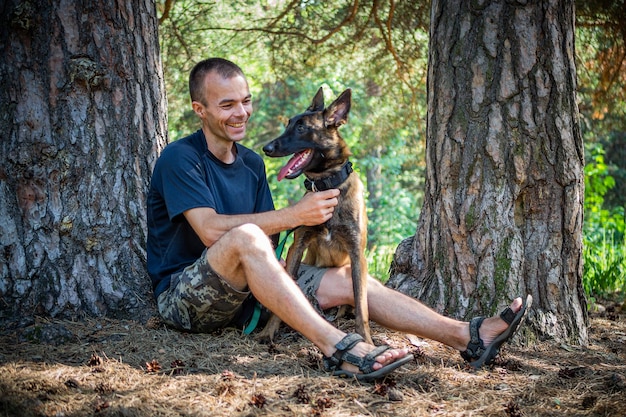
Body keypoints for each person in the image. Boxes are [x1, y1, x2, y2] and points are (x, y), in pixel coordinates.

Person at [146, 57, 531, 381]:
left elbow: (271, 237)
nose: (241, 113)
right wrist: (295, 215)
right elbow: (212, 229)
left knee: (348, 278)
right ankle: (338, 347)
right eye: (227, 104)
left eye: (245, 101)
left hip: (251, 294)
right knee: (246, 234)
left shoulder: (250, 163)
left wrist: (282, 262)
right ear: (201, 110)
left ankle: (468, 336)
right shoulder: (181, 158)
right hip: (187, 297)